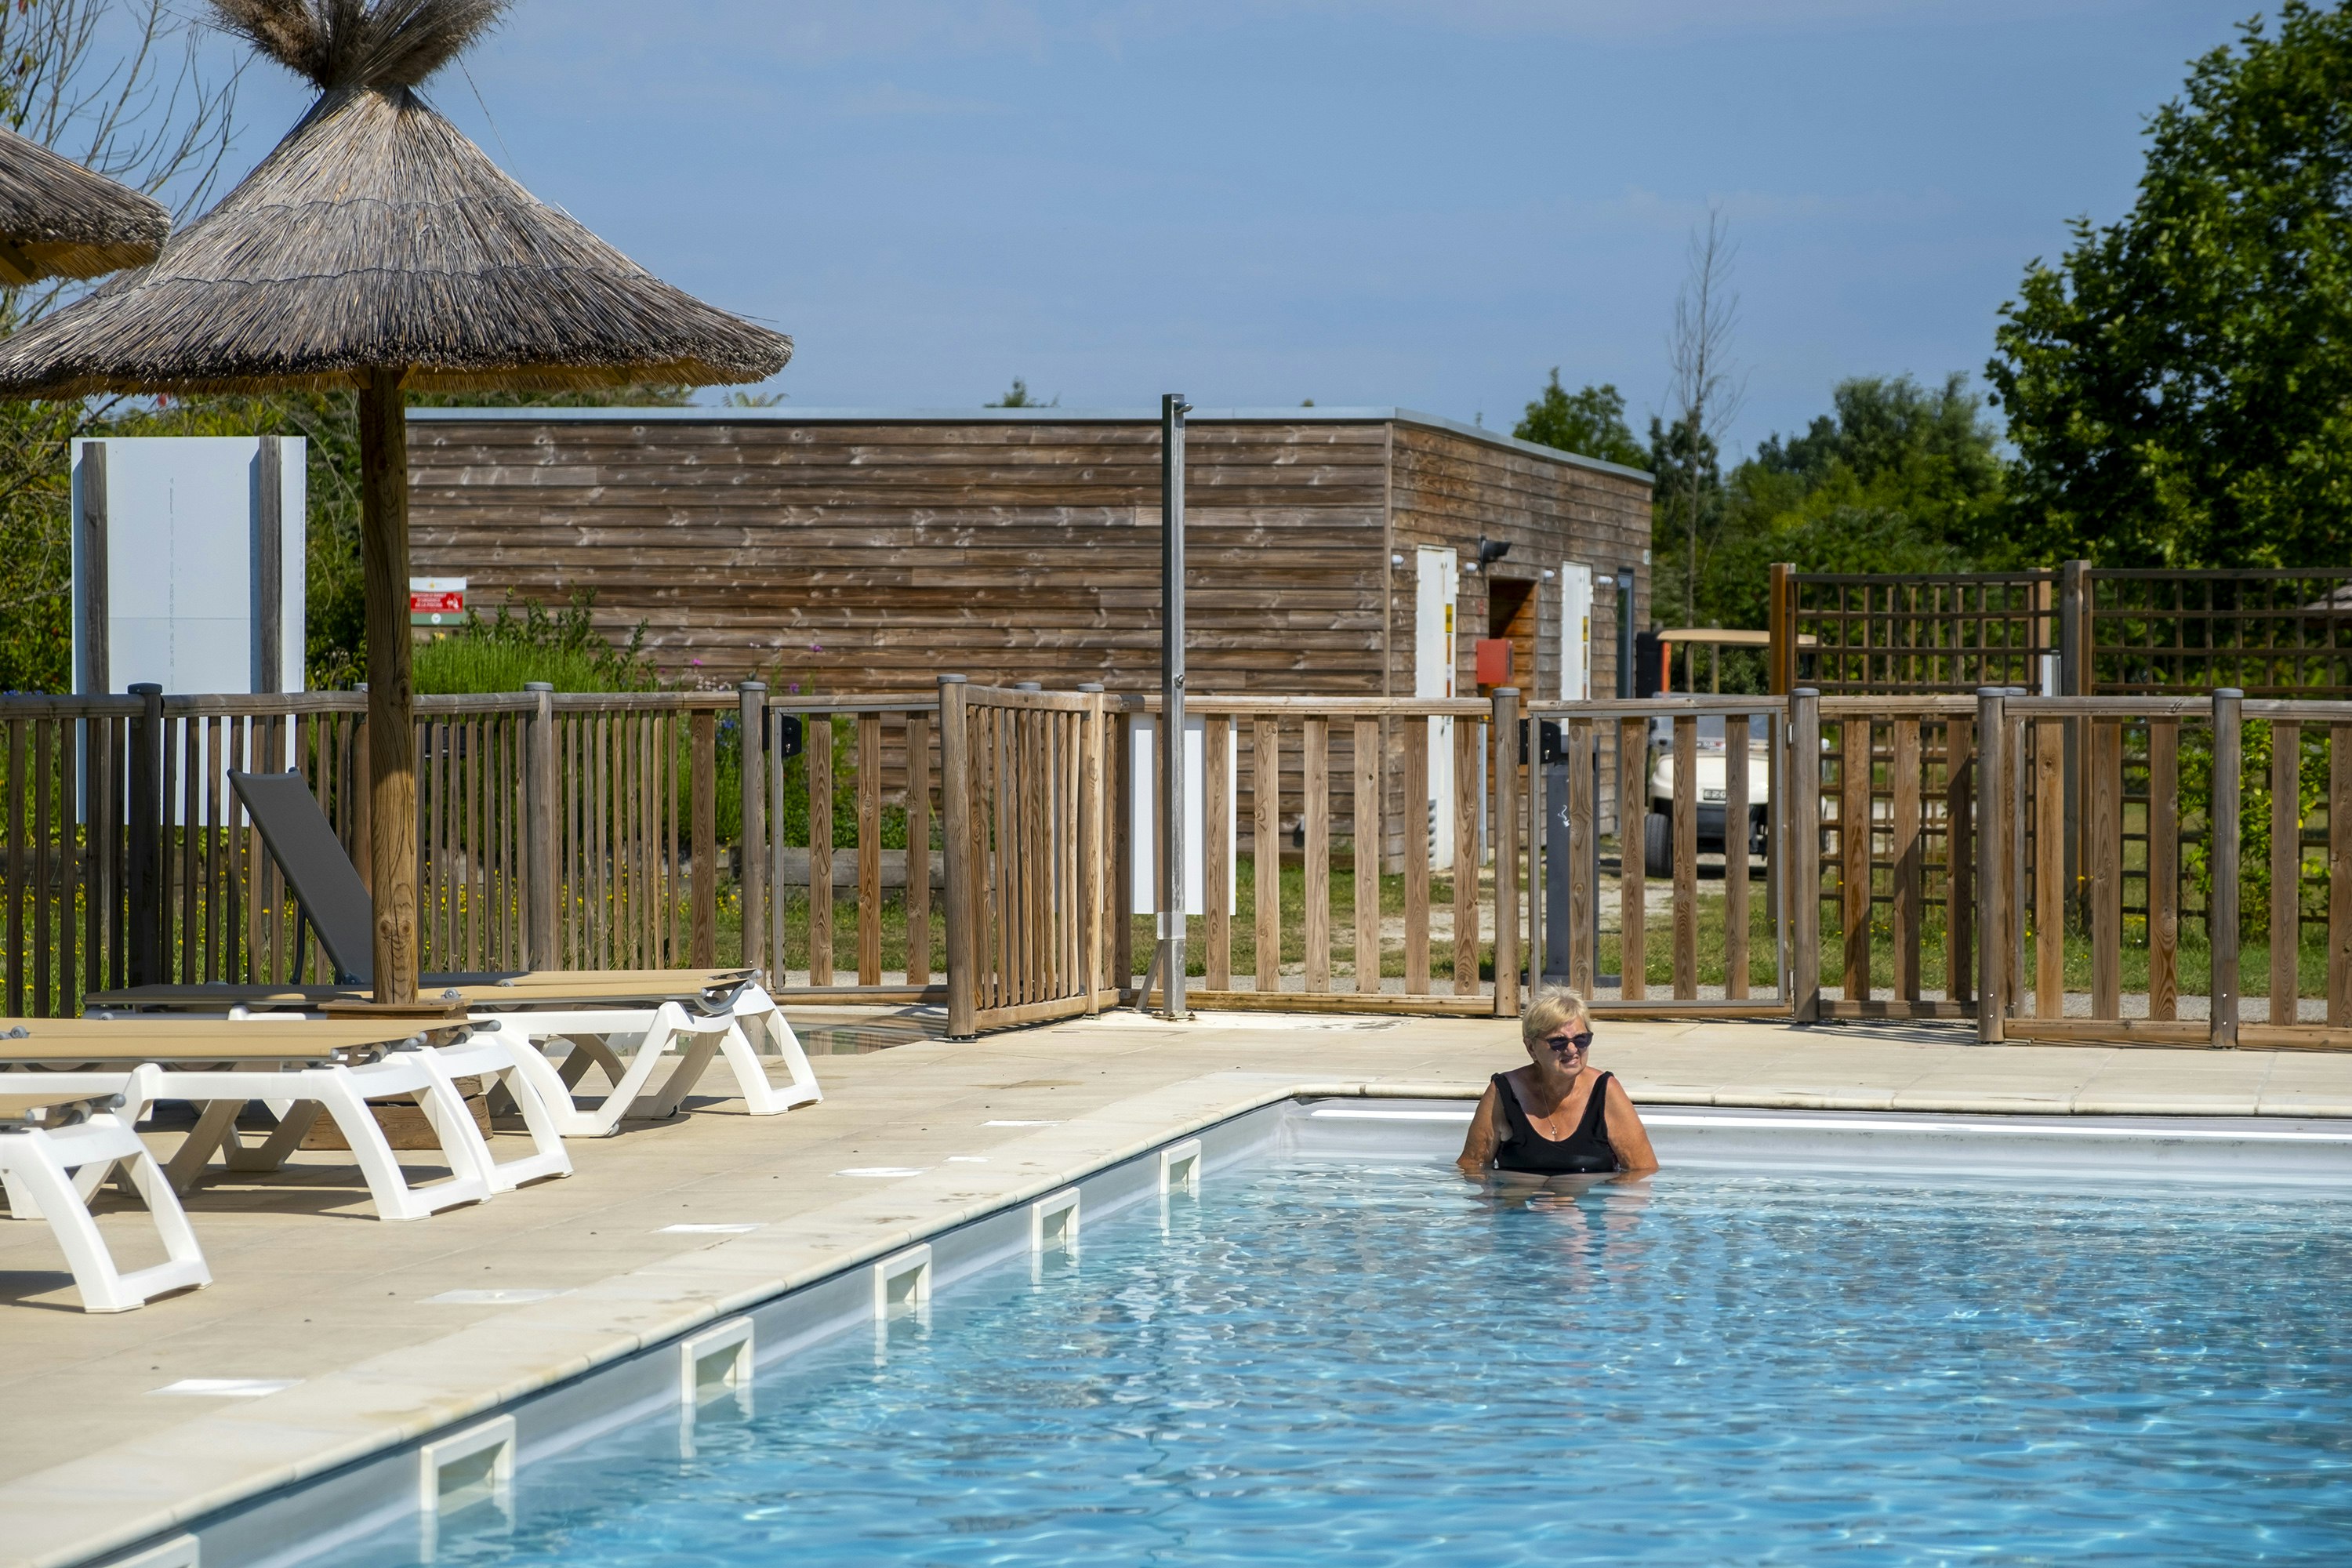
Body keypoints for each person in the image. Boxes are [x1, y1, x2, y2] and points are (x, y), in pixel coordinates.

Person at [1457, 989, 1659, 1178]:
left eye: (1581, 1039)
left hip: (1590, 1202)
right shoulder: (1503, 1093)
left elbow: (1642, 1172)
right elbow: (1472, 1168)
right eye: (1558, 1042)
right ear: (1531, 1047)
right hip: (1519, 1203)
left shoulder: (1606, 1091)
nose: (1572, 1050)